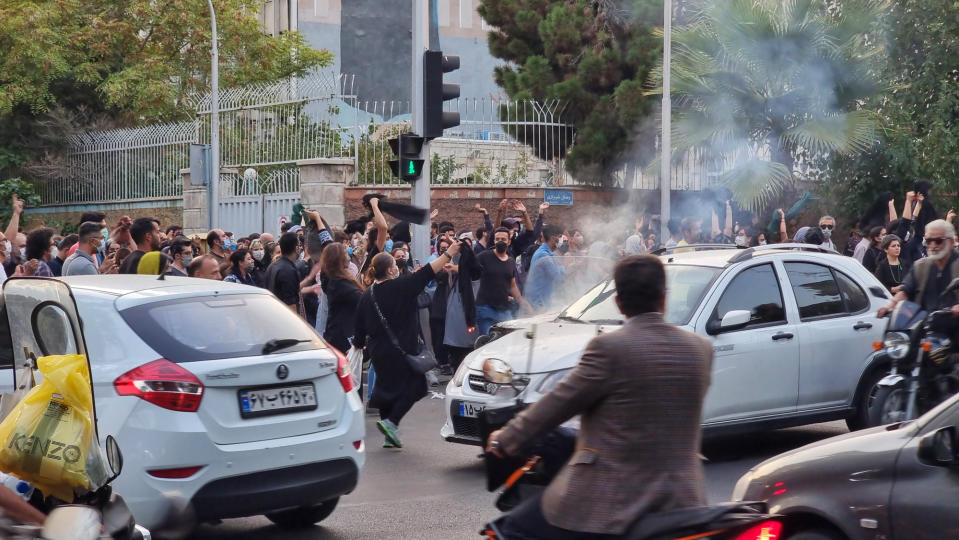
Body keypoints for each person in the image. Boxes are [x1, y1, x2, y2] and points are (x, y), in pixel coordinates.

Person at [486, 255, 713, 539]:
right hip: (684, 499)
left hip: (613, 503)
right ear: (665, 299)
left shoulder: (609, 348)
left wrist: (504, 439)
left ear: (619, 303)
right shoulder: (700, 349)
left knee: (512, 529)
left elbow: (556, 405)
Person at [354, 241, 463, 449]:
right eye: (395, 264)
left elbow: (359, 328)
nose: (398, 267)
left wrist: (360, 345)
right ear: (390, 269)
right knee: (417, 386)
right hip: (401, 350)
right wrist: (449, 253)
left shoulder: (366, 295)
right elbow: (429, 272)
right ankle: (391, 422)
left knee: (387, 390)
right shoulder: (401, 286)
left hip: (378, 352)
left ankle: (390, 436)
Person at [878, 220, 959, 318]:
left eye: (938, 241)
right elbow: (905, 290)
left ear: (951, 242)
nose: (933, 246)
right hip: (923, 324)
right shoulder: (920, 266)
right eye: (929, 241)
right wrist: (889, 307)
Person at [476, 227, 532, 335]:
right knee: (487, 343)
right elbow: (468, 266)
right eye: (497, 239)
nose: (500, 241)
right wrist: (453, 267)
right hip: (485, 308)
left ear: (509, 241)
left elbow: (512, 284)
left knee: (507, 340)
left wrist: (522, 301)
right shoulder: (484, 256)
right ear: (494, 241)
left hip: (504, 309)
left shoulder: (511, 261)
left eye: (503, 239)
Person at [321, 243, 364, 353]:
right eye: (345, 253)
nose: (348, 256)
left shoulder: (334, 278)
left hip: (337, 335)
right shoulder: (340, 283)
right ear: (338, 258)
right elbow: (362, 300)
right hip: (343, 339)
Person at [525, 224, 567, 311]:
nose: (561, 240)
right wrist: (565, 265)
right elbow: (558, 277)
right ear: (552, 238)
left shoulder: (549, 253)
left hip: (546, 301)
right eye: (560, 237)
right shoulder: (543, 255)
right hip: (539, 304)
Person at [264, 232, 301, 311]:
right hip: (284, 317)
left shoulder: (272, 266)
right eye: (299, 245)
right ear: (296, 248)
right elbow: (290, 304)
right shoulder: (288, 270)